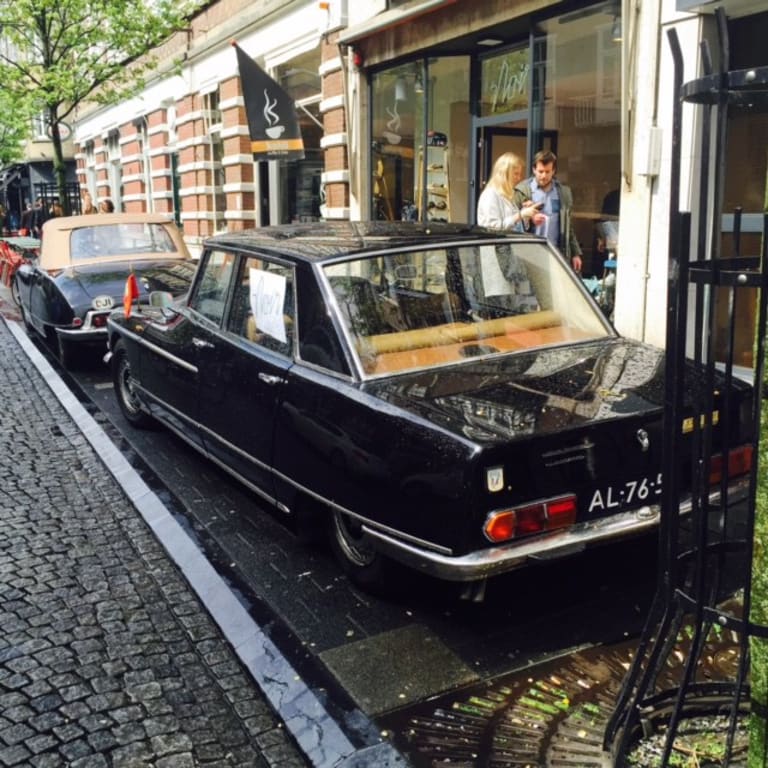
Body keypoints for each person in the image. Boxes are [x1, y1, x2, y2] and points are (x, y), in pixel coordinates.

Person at [514, 149, 583, 273]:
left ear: (553, 171)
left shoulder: (563, 193)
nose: (544, 176)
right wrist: (528, 218)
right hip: (530, 254)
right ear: (534, 169)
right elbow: (512, 222)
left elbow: (568, 226)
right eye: (540, 171)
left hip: (555, 253)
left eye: (547, 171)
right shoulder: (522, 191)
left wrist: (575, 253)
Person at [477, 152, 545, 232]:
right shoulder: (490, 195)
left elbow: (515, 225)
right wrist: (521, 214)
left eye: (520, 174)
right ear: (504, 174)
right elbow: (492, 228)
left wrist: (526, 215)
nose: (519, 178)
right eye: (516, 174)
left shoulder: (507, 194)